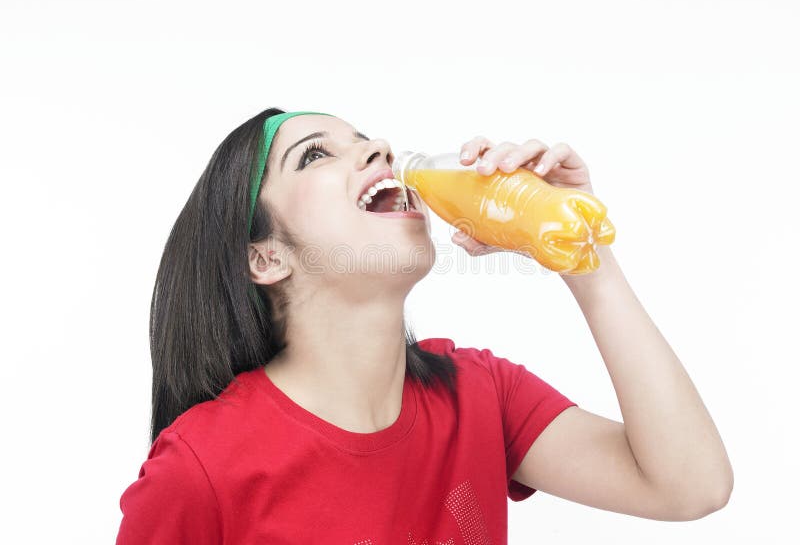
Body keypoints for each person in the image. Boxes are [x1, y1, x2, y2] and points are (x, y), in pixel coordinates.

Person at [115, 108, 733, 544]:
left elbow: (689, 487)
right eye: (316, 155)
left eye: (363, 137)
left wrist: (578, 246)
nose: (377, 148)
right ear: (265, 256)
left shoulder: (480, 395)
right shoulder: (200, 469)